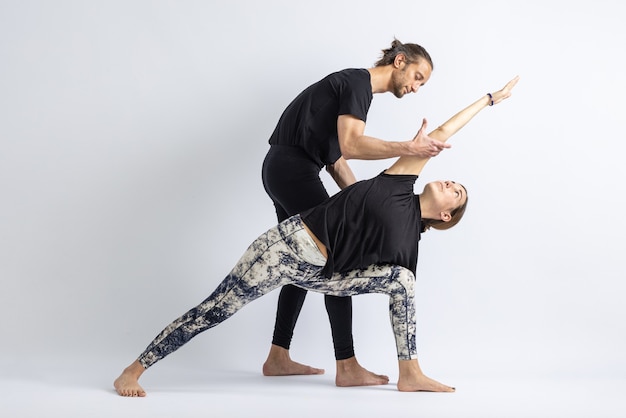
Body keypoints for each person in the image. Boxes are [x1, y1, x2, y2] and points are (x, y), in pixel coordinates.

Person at [113, 76, 519, 397]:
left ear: (446, 215)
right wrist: (489, 99)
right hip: (285, 250)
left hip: (327, 275)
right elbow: (446, 130)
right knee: (214, 311)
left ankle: (409, 373)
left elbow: (393, 291)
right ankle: (134, 370)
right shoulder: (398, 182)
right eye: (452, 181)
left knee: (404, 281)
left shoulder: (409, 243)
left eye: (456, 191)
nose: (449, 183)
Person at [262, 38, 452, 386]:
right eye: (417, 76)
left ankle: (278, 356)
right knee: (336, 258)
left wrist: (364, 201)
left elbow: (335, 160)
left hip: (282, 169)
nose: (416, 87)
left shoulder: (351, 90)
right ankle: (347, 365)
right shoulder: (356, 84)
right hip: (292, 169)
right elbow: (351, 146)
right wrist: (409, 147)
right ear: (399, 62)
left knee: (301, 262)